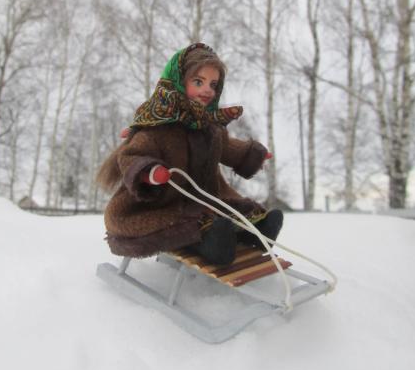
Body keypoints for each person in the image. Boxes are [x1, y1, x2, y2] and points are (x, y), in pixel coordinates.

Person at [97, 43, 283, 266]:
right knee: (183, 223)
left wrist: (250, 154)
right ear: (178, 80)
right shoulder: (158, 126)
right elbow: (132, 155)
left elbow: (227, 147)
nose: (207, 91)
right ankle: (213, 246)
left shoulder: (209, 127)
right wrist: (150, 172)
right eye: (198, 82)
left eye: (213, 85)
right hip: (161, 201)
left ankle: (254, 232)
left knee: (233, 208)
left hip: (205, 196)